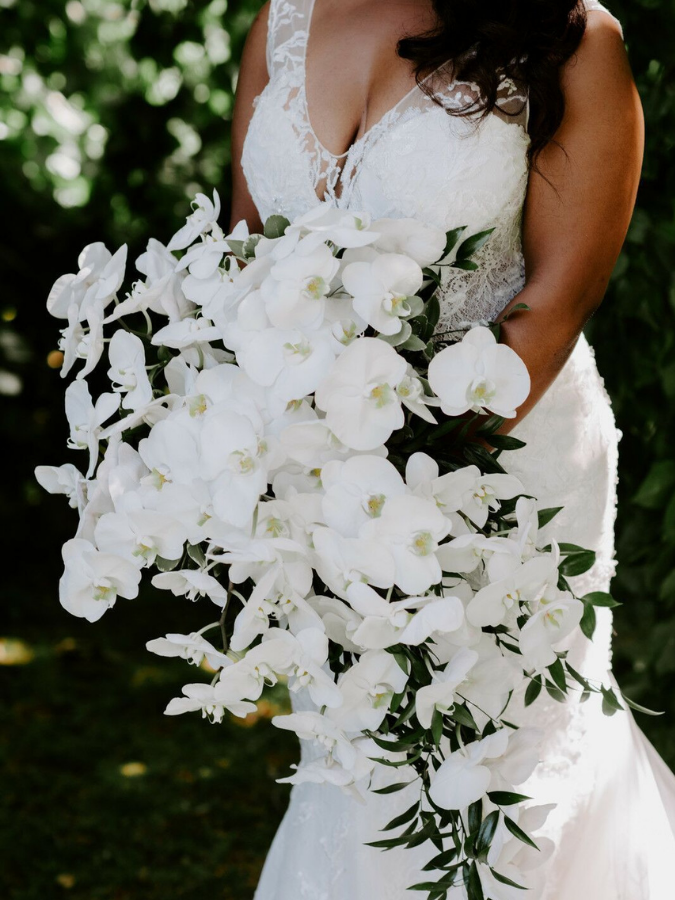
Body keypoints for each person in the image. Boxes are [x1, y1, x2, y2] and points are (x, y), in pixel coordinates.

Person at [228, 1, 675, 896]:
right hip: (312, 475)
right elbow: (243, 257)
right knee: (355, 750)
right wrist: (264, 456)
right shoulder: (283, 19)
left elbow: (550, 305)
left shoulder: (571, 39)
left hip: (504, 463)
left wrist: (400, 482)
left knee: (505, 757)